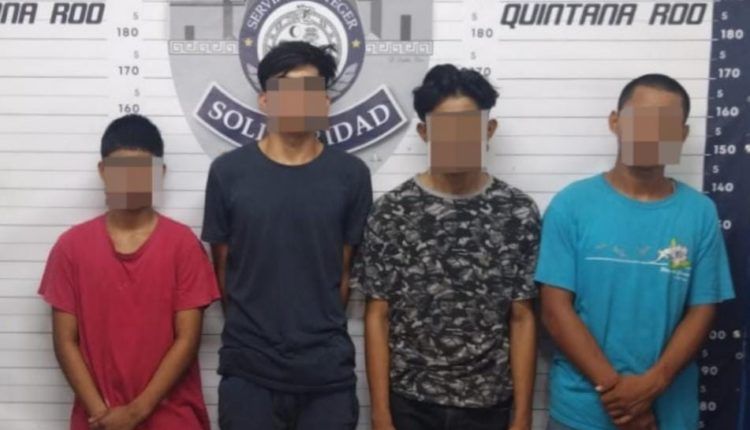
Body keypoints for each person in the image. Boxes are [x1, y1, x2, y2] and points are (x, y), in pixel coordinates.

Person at [537, 74, 735, 430]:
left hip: (669, 412)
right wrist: (621, 397)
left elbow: (702, 309)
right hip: (582, 412)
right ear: (615, 122)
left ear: (682, 134)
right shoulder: (572, 205)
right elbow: (554, 310)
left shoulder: (699, 212)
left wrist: (652, 385)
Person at [351, 64, 539, 430]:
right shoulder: (392, 211)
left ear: (489, 129)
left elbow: (522, 317)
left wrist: (522, 417)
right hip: (411, 402)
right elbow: (378, 315)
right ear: (424, 132)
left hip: (489, 404)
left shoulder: (517, 211)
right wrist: (381, 414)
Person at [201, 41, 372, 430]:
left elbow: (343, 274)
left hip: (326, 372)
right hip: (249, 370)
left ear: (324, 103)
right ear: (265, 100)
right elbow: (225, 271)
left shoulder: (351, 175)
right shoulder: (228, 173)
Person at [38, 114, 220, 430]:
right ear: (103, 171)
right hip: (98, 420)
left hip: (174, 419)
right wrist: (102, 414)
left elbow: (188, 338)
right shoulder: (70, 247)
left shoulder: (183, 246)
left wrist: (135, 412)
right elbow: (65, 341)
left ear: (160, 173)